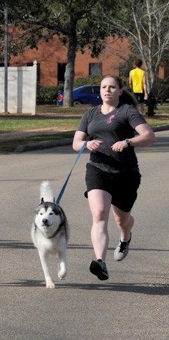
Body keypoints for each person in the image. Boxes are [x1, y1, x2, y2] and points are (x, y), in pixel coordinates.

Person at [72, 75, 155, 281]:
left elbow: (149, 136)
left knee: (122, 219)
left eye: (112, 87)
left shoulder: (127, 111)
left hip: (125, 173)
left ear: (120, 91)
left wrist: (128, 141)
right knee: (99, 214)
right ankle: (100, 262)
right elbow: (75, 142)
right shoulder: (90, 114)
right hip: (98, 169)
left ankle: (125, 237)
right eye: (103, 87)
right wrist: (86, 145)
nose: (107, 90)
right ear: (99, 91)